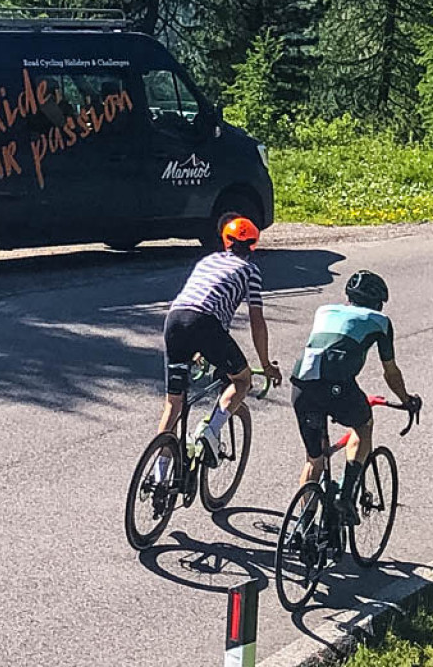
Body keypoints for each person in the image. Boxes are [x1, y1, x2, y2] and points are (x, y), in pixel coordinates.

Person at [156, 215, 283, 467]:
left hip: (175, 318)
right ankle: (210, 432)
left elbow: (200, 299)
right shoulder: (250, 271)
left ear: (226, 241)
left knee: (173, 404)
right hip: (205, 323)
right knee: (242, 380)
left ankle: (159, 473)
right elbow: (256, 321)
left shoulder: (207, 260)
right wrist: (266, 364)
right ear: (253, 245)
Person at [291, 269, 417, 511]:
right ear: (378, 302)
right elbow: (390, 372)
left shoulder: (324, 310)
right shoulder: (380, 321)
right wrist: (406, 399)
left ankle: (303, 526)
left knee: (314, 460)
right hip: (337, 386)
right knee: (363, 426)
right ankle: (345, 497)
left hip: (301, 384)